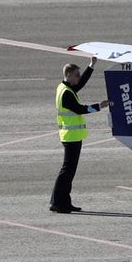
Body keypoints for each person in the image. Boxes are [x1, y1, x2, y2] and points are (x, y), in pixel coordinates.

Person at [50, 58, 112, 214]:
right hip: (70, 136)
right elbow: (80, 109)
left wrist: (91, 66)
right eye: (76, 75)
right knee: (67, 171)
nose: (78, 77)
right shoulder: (66, 94)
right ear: (69, 75)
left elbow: (81, 83)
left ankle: (65, 201)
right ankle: (56, 202)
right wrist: (99, 106)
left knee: (69, 172)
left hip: (72, 135)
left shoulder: (65, 87)